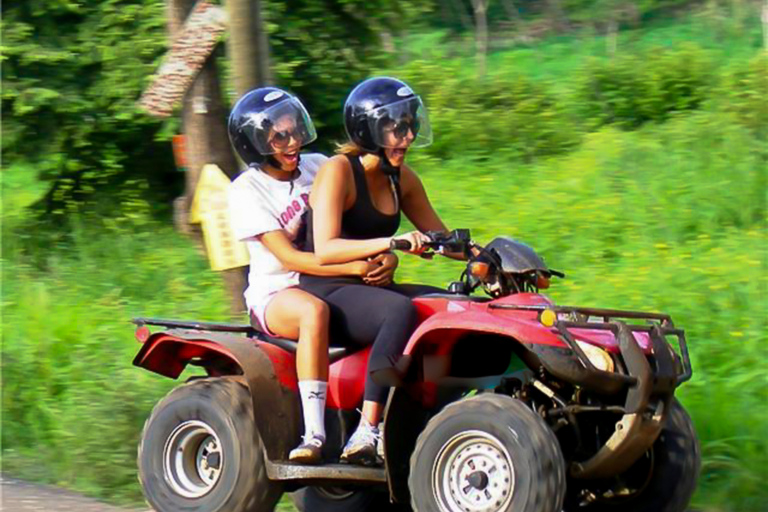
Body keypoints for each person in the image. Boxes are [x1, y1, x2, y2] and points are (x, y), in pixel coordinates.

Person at [227, 87, 399, 464]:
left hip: (331, 282)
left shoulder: (319, 165)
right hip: (279, 292)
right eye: (279, 137)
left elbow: (355, 224)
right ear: (254, 144)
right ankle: (314, 434)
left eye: (295, 132)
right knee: (312, 313)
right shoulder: (246, 191)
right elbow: (291, 258)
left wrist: (386, 257)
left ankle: (384, 424)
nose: (293, 143)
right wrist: (356, 266)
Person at [299, 77, 461, 466]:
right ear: (368, 129)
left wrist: (487, 255)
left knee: (449, 305)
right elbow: (325, 249)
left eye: (411, 127)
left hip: (370, 285)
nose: (406, 137)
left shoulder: (400, 178)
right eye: (397, 128)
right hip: (328, 288)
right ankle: (367, 430)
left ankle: (429, 410)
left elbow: (439, 237)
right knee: (398, 311)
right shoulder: (339, 170)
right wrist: (394, 244)